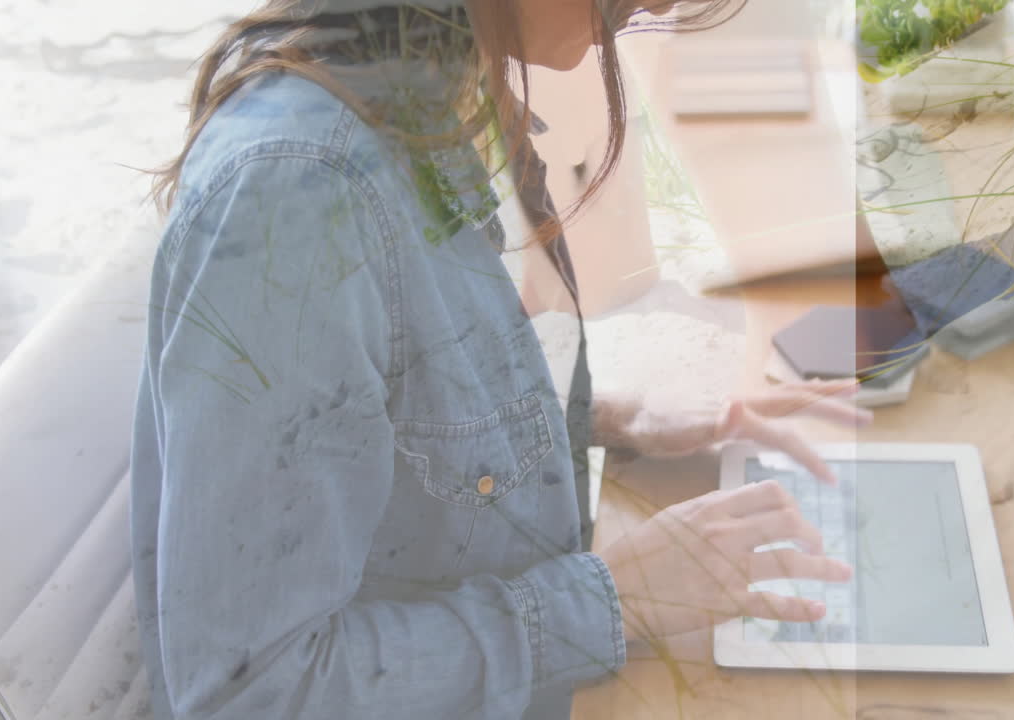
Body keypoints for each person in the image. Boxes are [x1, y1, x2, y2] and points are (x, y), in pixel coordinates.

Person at [130, 1, 864, 718]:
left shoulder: (407, 88)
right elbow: (250, 695)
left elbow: (390, 404)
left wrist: (600, 417)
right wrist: (622, 596)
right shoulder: (292, 193)